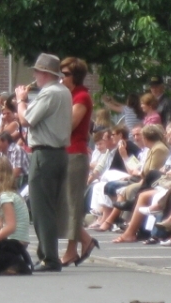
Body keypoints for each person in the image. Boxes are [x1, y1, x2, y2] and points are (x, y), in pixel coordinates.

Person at [15, 53, 72, 272]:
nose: (34, 75)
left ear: (45, 74)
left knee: (41, 208)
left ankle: (49, 257)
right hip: (59, 153)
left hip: (45, 154)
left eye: (37, 71)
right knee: (50, 206)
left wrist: (21, 100)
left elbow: (25, 119)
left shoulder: (49, 93)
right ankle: (49, 254)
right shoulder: (64, 91)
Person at [58, 56, 98, 267]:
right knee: (62, 203)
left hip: (75, 153)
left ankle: (71, 250)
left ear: (75, 76)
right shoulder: (66, 95)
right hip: (63, 153)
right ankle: (86, 240)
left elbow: (69, 125)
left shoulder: (81, 97)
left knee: (72, 204)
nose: (61, 78)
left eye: (64, 75)